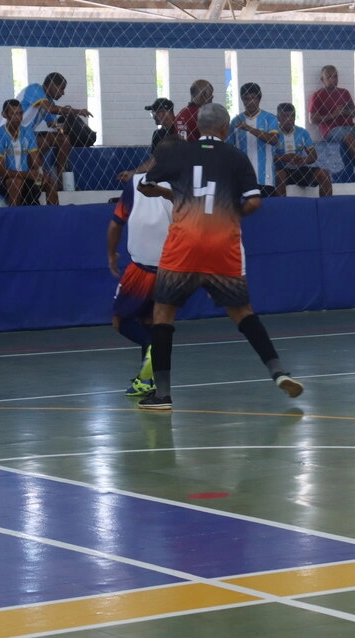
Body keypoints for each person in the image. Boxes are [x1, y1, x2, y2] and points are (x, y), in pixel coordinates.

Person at [139, 103, 303, 411]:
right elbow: (254, 203)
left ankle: (162, 394)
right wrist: (230, 214)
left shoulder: (178, 154)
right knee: (243, 314)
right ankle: (278, 372)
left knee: (163, 315)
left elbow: (146, 184)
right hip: (222, 247)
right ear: (226, 129)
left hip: (183, 246)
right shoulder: (237, 158)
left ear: (197, 126)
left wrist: (171, 195)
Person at [107, 137, 177, 400]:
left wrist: (111, 254)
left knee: (120, 320)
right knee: (150, 321)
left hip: (141, 268)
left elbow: (116, 224)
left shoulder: (135, 184)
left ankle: (151, 348)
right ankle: (147, 380)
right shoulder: (181, 187)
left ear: (153, 157)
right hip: (171, 270)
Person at [308, 65, 355, 181]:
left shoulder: (344, 92)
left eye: (335, 76)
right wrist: (334, 114)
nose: (333, 79)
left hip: (350, 126)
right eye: (329, 77)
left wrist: (346, 112)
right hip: (332, 130)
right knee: (348, 137)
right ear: (322, 80)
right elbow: (312, 119)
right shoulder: (317, 95)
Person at [18, 72, 88, 183]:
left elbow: (53, 125)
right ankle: (34, 175)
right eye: (61, 88)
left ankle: (59, 179)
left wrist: (65, 128)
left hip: (28, 136)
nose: (63, 93)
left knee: (63, 139)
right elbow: (51, 109)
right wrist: (77, 112)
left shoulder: (49, 101)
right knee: (43, 141)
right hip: (14, 135)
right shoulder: (35, 89)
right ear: (51, 84)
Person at [0, 99, 58, 206]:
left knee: (48, 181)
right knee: (16, 182)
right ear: (4, 115)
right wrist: (28, 174)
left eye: (20, 113)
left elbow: (36, 161)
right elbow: (1, 172)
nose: (18, 117)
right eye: (13, 113)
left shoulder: (27, 133)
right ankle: (14, 219)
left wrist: (40, 171)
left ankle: (54, 218)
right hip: (3, 180)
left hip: (25, 177)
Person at [227, 82, 280, 195]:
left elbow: (273, 140)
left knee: (265, 210)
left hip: (265, 178)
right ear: (242, 99)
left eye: (253, 98)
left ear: (259, 99)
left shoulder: (270, 118)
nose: (250, 102)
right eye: (246, 99)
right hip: (242, 177)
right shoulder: (235, 121)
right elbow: (229, 147)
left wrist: (249, 128)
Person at [273, 102, 332, 197]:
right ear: (278, 118)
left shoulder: (302, 133)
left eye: (292, 116)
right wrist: (284, 158)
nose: (289, 119)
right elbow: (269, 157)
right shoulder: (274, 134)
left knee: (323, 174)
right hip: (282, 170)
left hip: (300, 169)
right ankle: (282, 208)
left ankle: (326, 209)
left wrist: (303, 160)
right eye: (285, 116)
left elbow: (313, 156)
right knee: (280, 175)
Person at [118, 97, 177, 181]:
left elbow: (154, 162)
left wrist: (133, 173)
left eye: (155, 113)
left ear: (164, 113)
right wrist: (133, 173)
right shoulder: (157, 134)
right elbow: (153, 161)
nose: (154, 116)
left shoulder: (180, 130)